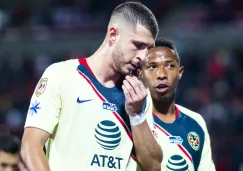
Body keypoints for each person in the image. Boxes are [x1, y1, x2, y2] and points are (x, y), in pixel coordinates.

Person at [21, 2, 162, 171]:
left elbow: (153, 166)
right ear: (113, 34)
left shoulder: (139, 95)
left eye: (148, 49)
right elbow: (31, 145)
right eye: (138, 45)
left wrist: (137, 115)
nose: (143, 57)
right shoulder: (61, 75)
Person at [137, 38, 216, 170]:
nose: (161, 74)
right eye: (152, 66)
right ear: (140, 74)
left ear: (180, 72)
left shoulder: (196, 122)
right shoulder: (133, 118)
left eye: (169, 66)